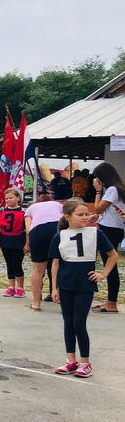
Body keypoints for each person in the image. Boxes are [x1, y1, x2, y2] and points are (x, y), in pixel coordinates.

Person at [49, 199, 118, 378]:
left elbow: (113, 255)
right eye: (80, 215)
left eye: (87, 214)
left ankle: (85, 362)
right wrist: (54, 288)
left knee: (79, 323)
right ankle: (70, 360)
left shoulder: (96, 233)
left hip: (84, 284)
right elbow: (55, 263)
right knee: (68, 322)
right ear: (67, 217)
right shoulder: (59, 236)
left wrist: (103, 274)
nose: (85, 217)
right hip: (66, 284)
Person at [91, 162, 125, 313]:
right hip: (115, 229)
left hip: (109, 230)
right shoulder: (119, 188)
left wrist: (98, 191)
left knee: (110, 266)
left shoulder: (112, 189)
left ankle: (112, 303)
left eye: (98, 178)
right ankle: (110, 301)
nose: (97, 181)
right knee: (109, 265)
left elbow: (98, 208)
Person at [24, 191, 62, 311]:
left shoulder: (30, 208)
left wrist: (31, 242)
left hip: (38, 231)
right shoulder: (58, 204)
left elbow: (28, 229)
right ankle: (61, 299)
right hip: (57, 229)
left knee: (37, 269)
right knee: (59, 265)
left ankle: (36, 303)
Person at [0, 187, 27, 298]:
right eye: (6, 198)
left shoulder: (23, 212)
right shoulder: (2, 211)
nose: (8, 200)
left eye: (11, 198)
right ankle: (11, 286)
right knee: (9, 264)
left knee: (17, 264)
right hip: (5, 240)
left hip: (18, 240)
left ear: (18, 198)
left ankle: (20, 288)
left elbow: (28, 229)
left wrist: (27, 244)